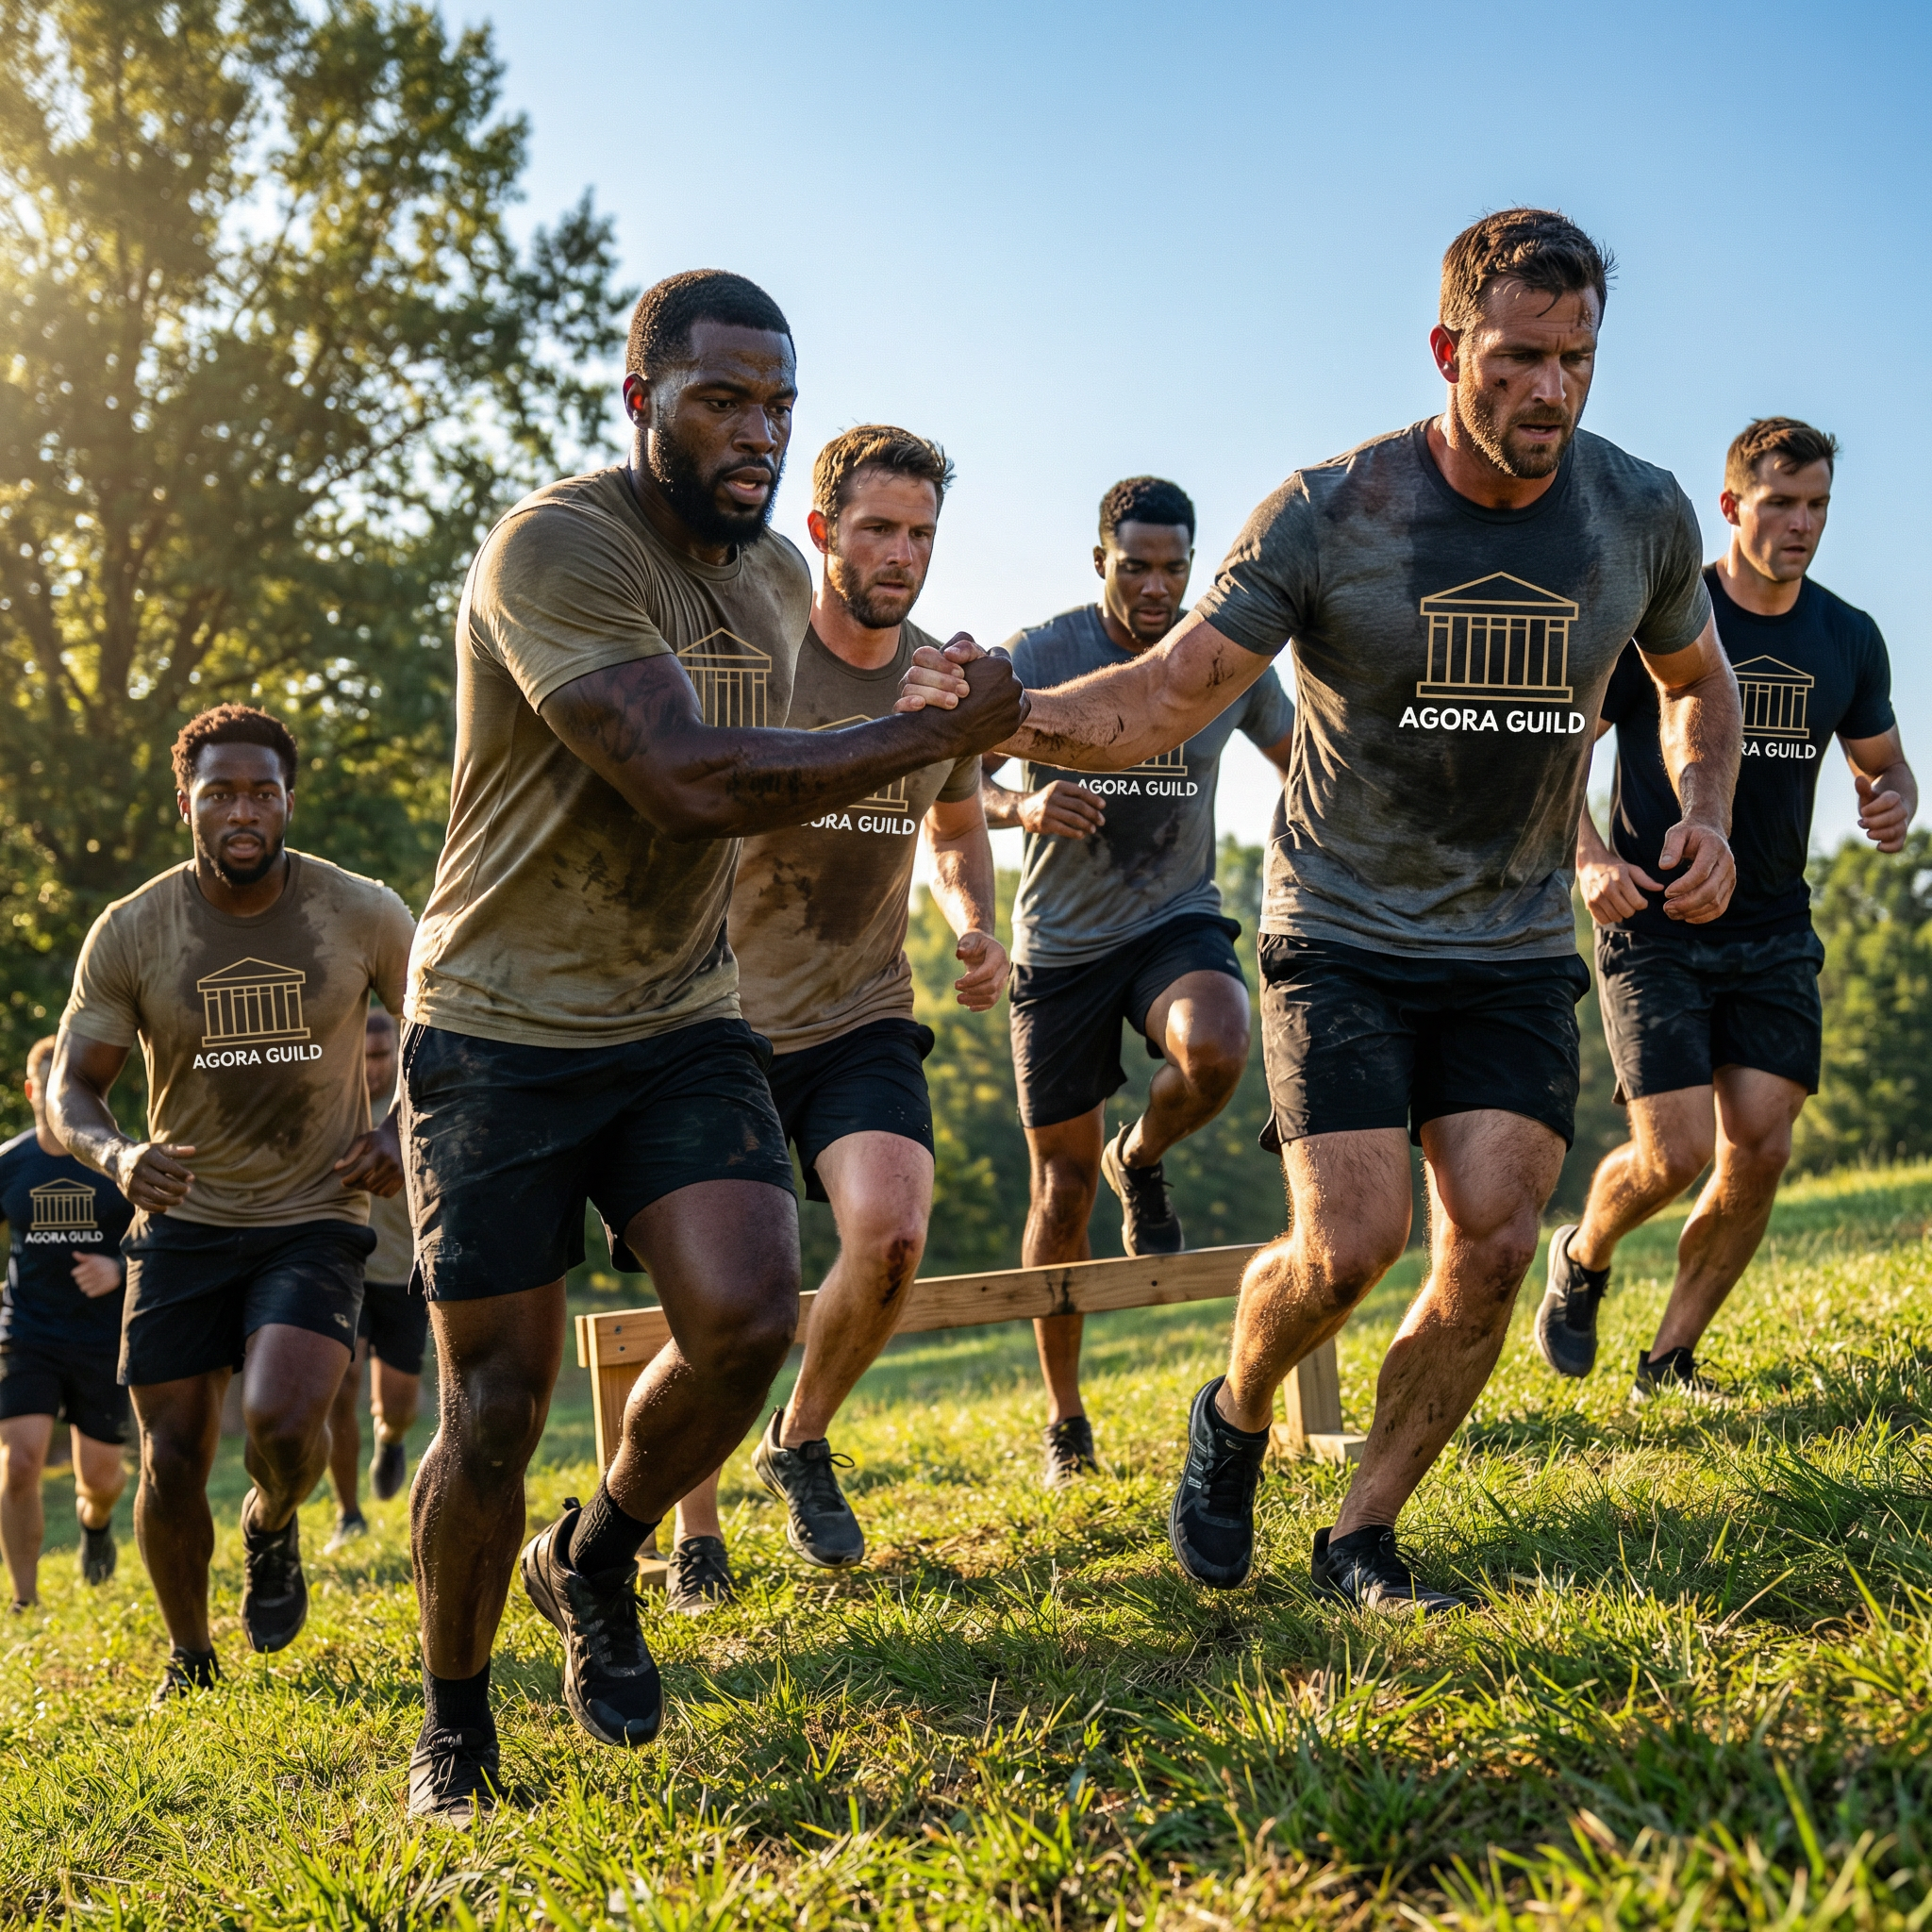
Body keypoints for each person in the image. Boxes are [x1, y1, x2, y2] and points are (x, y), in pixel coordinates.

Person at [906, 208, 1741, 1611]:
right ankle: (1234, 1412)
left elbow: (1696, 684)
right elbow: (1172, 690)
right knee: (1350, 1245)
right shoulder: (1329, 508)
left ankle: (1363, 1531)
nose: (1553, 389)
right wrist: (1023, 716)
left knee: (1490, 1245)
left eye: (1577, 359)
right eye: (1521, 358)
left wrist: (1704, 810)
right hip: (1341, 925)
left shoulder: (1639, 510)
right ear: (1447, 348)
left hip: (1516, 934)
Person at [398, 270, 1024, 1820]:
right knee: (491, 1405)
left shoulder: (770, 578)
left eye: (778, 404)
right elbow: (684, 772)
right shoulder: (556, 548)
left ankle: (592, 1556)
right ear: (639, 401)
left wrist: (979, 748)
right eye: (723, 400)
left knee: (748, 1317)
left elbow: (860, 721)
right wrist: (936, 735)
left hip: (682, 1015)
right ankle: (454, 1731)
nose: (758, 431)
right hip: (496, 1026)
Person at [658, 425, 1008, 1614]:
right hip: (718, 1024)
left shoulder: (940, 683)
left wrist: (974, 921)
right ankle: (691, 1531)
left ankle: (798, 1439)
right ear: (819, 532)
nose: (900, 553)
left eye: (918, 533)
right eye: (876, 528)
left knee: (894, 1229)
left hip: (860, 1013)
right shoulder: (751, 659)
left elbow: (956, 828)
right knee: (719, 1304)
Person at [1538, 418, 1917, 1398]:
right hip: (1651, 919)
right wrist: (1585, 859)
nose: (1801, 524)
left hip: (1773, 928)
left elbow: (1883, 761)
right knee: (1673, 1152)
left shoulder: (1846, 635)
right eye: (1781, 502)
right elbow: (1561, 752)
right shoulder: (1660, 612)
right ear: (1730, 505)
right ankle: (1581, 1253)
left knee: (1761, 1145)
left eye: (1817, 504)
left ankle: (1666, 1359)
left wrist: (1893, 798)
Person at [48, 704, 414, 1698]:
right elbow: (71, 1087)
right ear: (187, 803)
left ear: (290, 799)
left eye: (262, 790)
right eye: (221, 792)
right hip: (182, 1216)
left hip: (317, 1208)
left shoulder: (363, 910)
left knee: (285, 1419)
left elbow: (442, 1025)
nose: (242, 810)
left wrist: (394, 1129)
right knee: (169, 1454)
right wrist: (118, 1154)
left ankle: (272, 1521)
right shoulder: (132, 928)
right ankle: (190, 1655)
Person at [979, 476, 1294, 1485]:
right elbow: (952, 775)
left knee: (1216, 1047)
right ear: (1099, 562)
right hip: (1059, 942)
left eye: (1173, 566)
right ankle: (1065, 1419)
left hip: (1174, 916)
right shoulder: (1043, 652)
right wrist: (1021, 811)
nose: (1157, 586)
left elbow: (1303, 758)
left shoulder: (1224, 652)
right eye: (1136, 565)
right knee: (1058, 1191)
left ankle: (1142, 1152)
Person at [0, 1037, 133, 1609]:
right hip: (28, 1332)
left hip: (102, 1339)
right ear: (32, 1091)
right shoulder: (9, 1164)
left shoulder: (117, 1159)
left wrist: (119, 1268)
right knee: (20, 1462)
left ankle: (96, 1525)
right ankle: (24, 1600)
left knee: (101, 1481)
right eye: (48, 1084)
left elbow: (164, 1238)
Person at [325, 1008, 426, 1547]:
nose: (372, 1068)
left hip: (404, 1273)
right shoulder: (333, 1105)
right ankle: (348, 1513)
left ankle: (390, 1441)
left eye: (382, 1056)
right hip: (346, 1271)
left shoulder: (415, 1103)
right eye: (362, 1057)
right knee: (344, 1386)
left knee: (397, 1404)